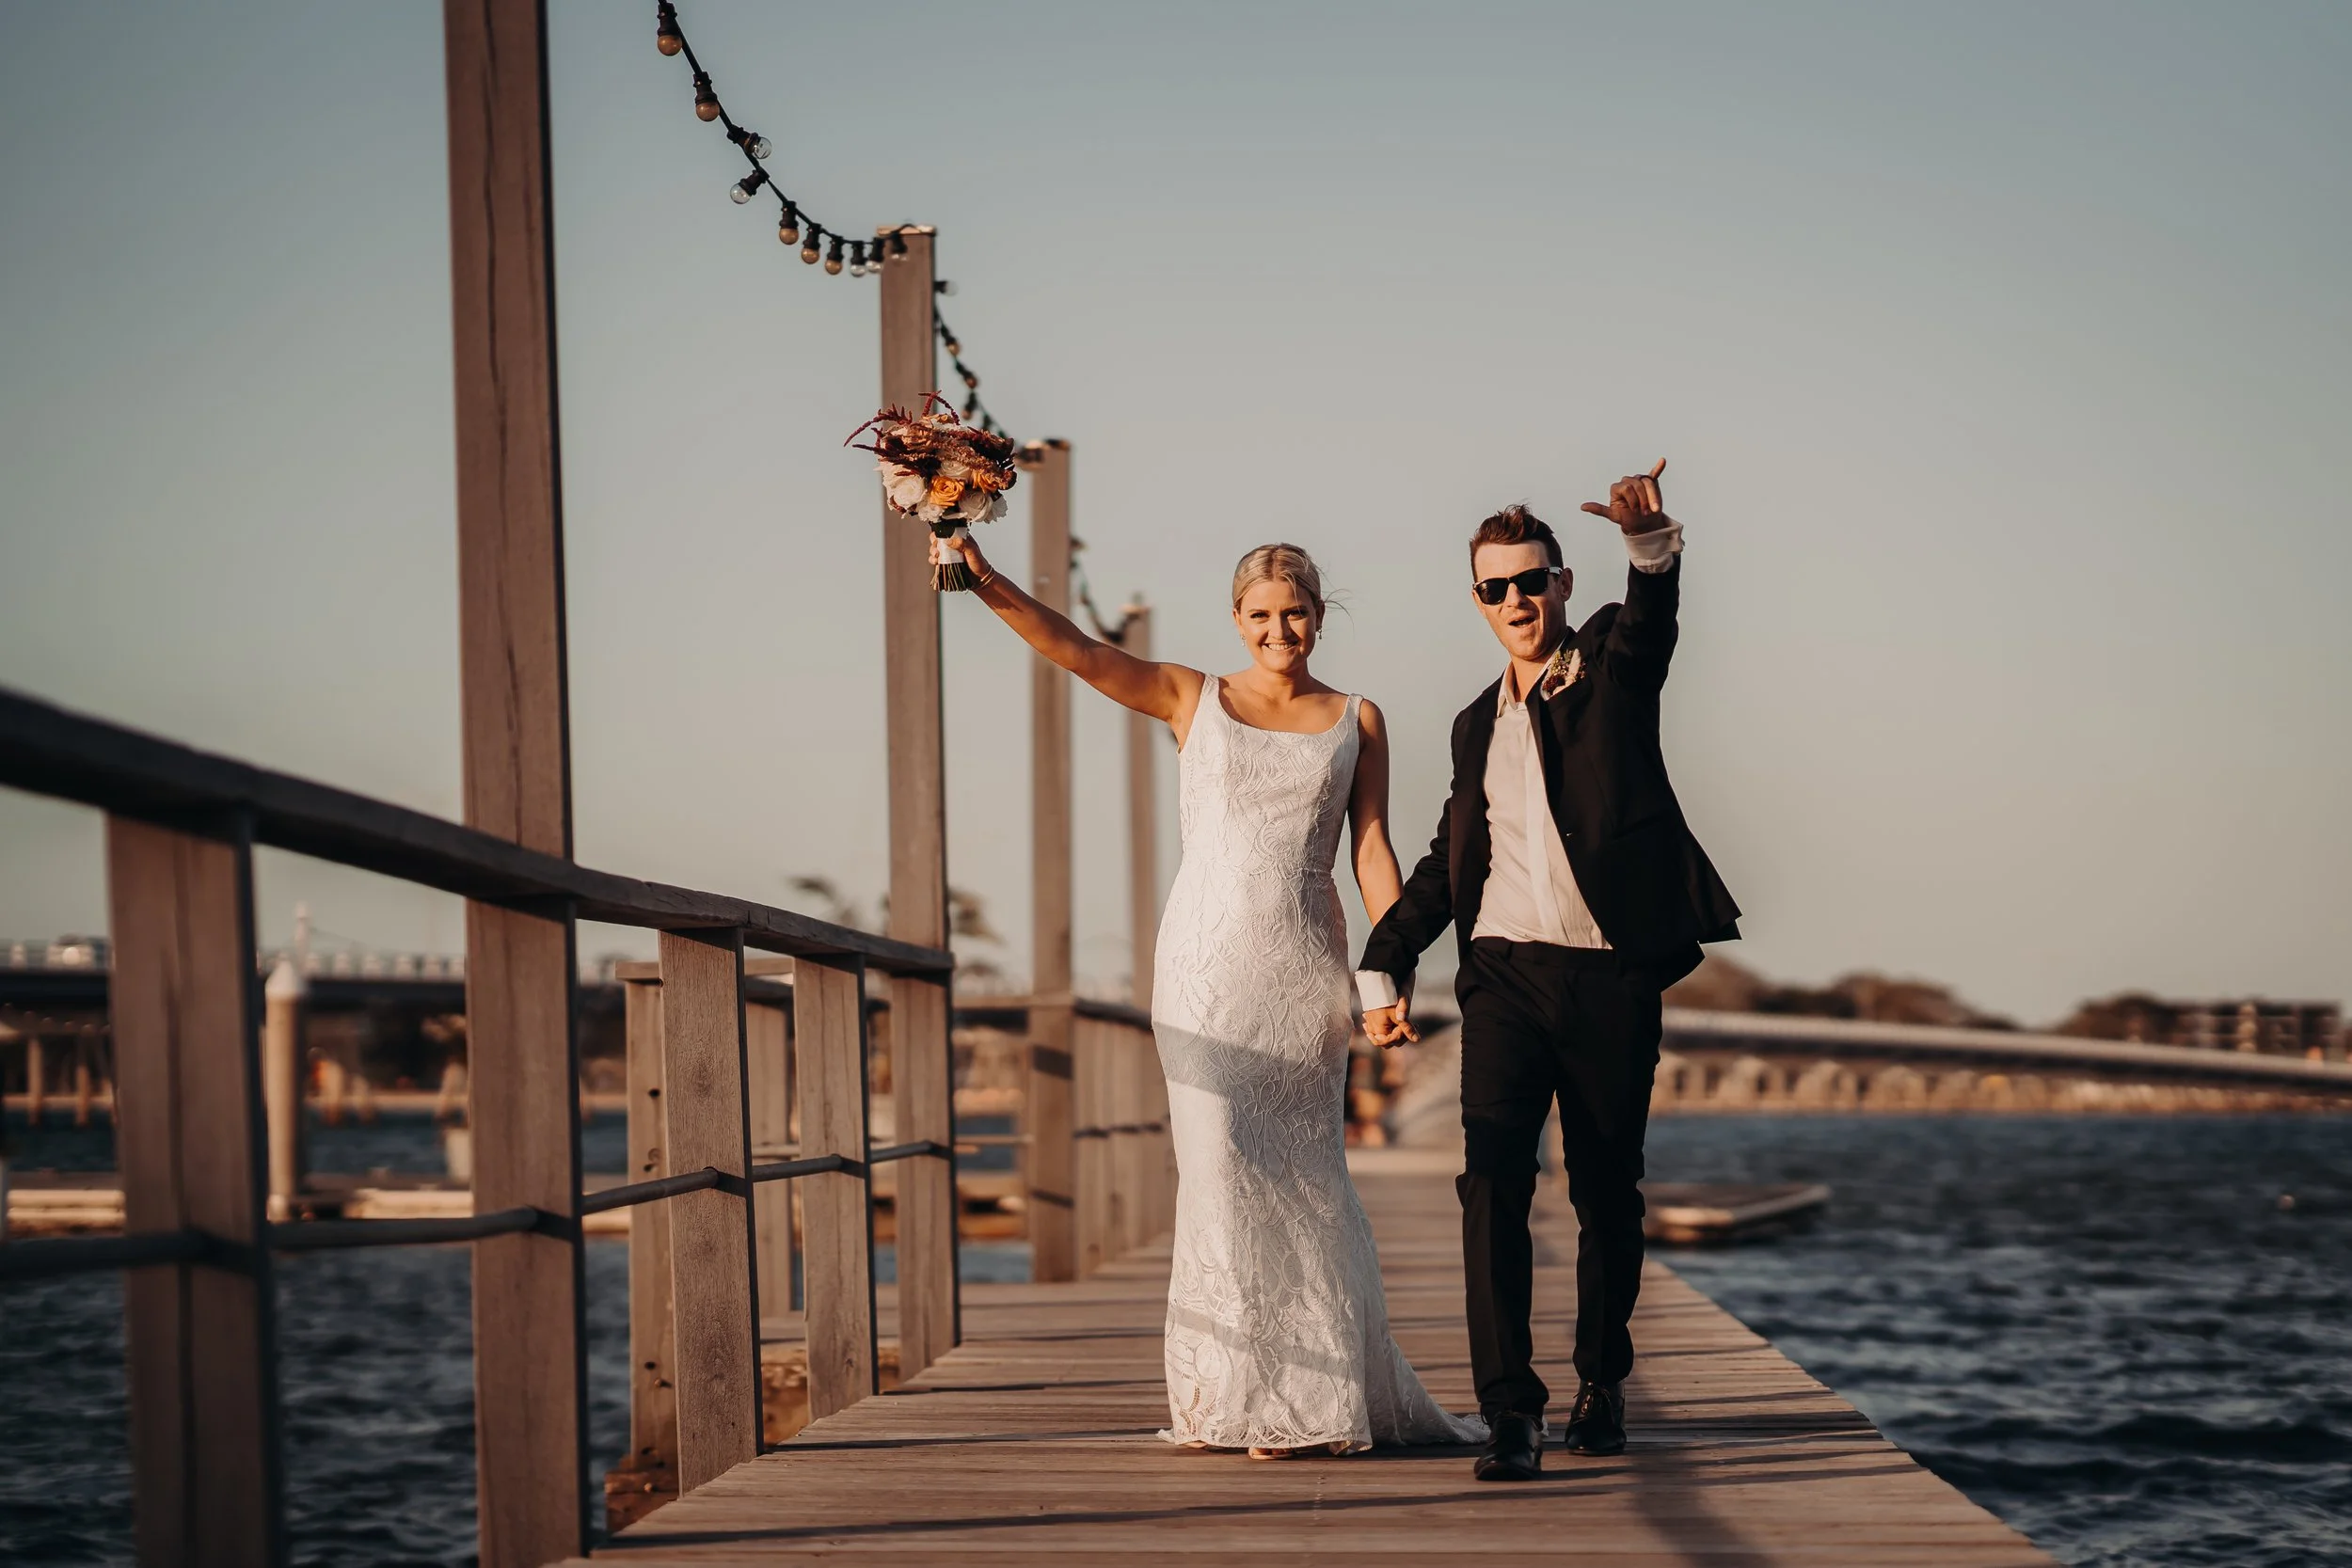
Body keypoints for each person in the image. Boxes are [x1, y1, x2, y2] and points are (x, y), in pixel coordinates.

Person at [943, 531, 1483, 1458]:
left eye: (1295, 612)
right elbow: (1080, 652)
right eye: (1261, 614)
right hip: (1203, 967)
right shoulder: (1193, 697)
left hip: (1303, 971)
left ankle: (1310, 1399)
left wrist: (1388, 974)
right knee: (1220, 1166)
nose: (1279, 629)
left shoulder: (1358, 719)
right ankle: (1236, 1393)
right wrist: (982, 573)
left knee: (1305, 1176)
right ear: (1236, 619)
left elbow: (1370, 849)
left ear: (1320, 614)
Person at [1357, 462, 1741, 1481]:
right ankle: (1508, 1410)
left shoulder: (1608, 659)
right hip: (1503, 978)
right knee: (1491, 1179)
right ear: (1477, 600)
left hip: (1609, 977)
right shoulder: (1472, 723)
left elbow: (1652, 628)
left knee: (1607, 1192)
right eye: (1497, 587)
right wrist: (1387, 953)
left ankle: (1601, 1380)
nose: (1517, 600)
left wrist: (1649, 546)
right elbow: (1450, 855)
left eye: (1532, 582)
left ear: (1562, 584)